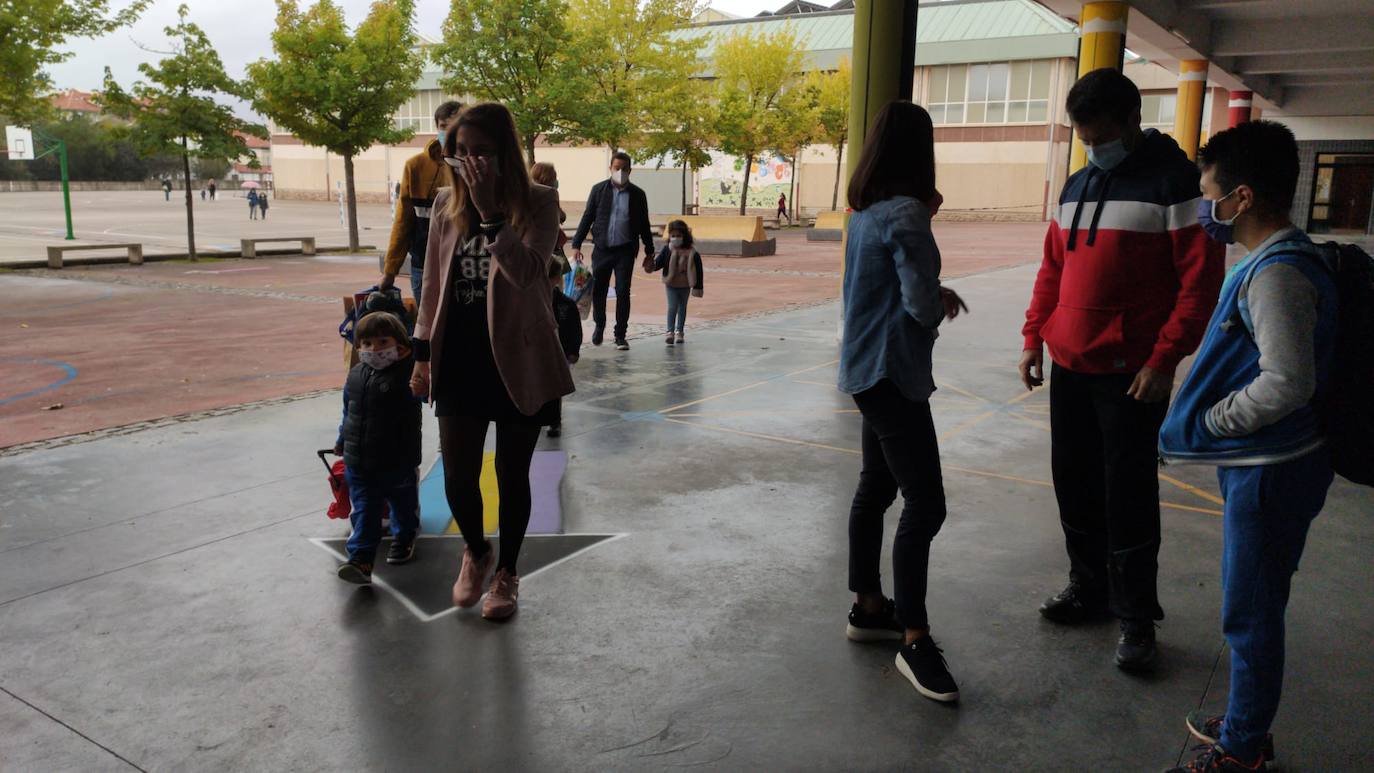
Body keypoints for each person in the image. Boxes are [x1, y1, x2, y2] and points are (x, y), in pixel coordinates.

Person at [1018, 68, 1224, 672]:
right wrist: (1034, 336)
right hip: (1070, 362)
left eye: (1099, 134)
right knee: (1074, 482)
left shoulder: (1175, 183)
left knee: (1128, 492)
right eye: (1082, 136)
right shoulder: (1077, 184)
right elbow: (1053, 269)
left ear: (1132, 120)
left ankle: (1136, 616)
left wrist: (1164, 359)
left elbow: (1200, 282)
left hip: (1133, 373)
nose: (1091, 147)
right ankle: (1089, 587)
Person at [1158, 121, 1341, 773]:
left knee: (1252, 610)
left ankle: (1243, 748)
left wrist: (1214, 421)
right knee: (1259, 598)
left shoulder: (1278, 275)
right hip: (1275, 462)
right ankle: (1245, 717)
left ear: (1241, 196)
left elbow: (1287, 379)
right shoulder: (1276, 261)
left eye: (1210, 195)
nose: (1206, 210)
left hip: (1273, 467)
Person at [410, 102, 574, 621]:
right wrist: (420, 356)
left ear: (505, 152)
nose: (470, 163)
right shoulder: (442, 205)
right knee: (458, 476)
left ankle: (507, 572)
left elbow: (529, 273)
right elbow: (433, 284)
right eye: (461, 154)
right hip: (458, 351)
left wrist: (492, 216)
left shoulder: (541, 202)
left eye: (481, 152)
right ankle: (477, 550)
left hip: (520, 354)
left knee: (511, 473)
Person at [838, 100, 968, 704]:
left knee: (876, 487)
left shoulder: (864, 214)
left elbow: (887, 288)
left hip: (866, 370)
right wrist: (940, 300)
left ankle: (868, 606)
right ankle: (913, 637)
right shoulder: (908, 214)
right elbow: (917, 304)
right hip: (895, 373)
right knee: (927, 504)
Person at [333, 311, 423, 583]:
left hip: (398, 460)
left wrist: (418, 368)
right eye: (367, 344)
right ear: (358, 346)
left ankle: (405, 536)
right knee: (365, 510)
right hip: (359, 461)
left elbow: (424, 394)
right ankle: (361, 559)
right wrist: (341, 441)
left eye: (384, 342)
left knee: (402, 505)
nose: (375, 349)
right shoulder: (356, 375)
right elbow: (349, 412)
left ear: (400, 345)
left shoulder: (409, 374)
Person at [571, 152, 655, 351]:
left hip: (625, 250)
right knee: (599, 290)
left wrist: (650, 252)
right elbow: (587, 216)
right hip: (602, 249)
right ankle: (599, 325)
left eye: (624, 169)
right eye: (617, 168)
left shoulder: (637, 194)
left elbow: (644, 224)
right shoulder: (599, 190)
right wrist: (576, 244)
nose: (620, 172)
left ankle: (620, 335)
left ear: (630, 171)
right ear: (610, 168)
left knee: (623, 291)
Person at [381, 100, 463, 300]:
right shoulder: (415, 166)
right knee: (426, 326)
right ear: (437, 128)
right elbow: (403, 221)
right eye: (444, 126)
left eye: (455, 126)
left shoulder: (472, 165)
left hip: (461, 266)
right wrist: (390, 270)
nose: (449, 131)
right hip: (423, 264)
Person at [529, 161, 575, 438]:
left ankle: (548, 414)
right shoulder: (545, 198)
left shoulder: (534, 197)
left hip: (548, 261)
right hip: (547, 259)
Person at [647, 220, 704, 346]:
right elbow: (659, 263)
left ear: (685, 236)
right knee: (672, 307)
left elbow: (699, 270)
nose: (676, 238)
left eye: (679, 236)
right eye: (673, 236)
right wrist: (650, 266)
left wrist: (698, 286)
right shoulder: (667, 250)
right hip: (671, 284)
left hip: (685, 285)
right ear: (669, 236)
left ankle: (680, 332)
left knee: (682, 308)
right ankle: (670, 332)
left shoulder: (692, 252)